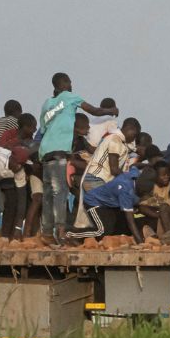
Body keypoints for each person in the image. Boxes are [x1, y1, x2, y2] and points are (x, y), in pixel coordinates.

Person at [36, 73, 117, 243]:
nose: (71, 85)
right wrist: (111, 110)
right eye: (69, 82)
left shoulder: (47, 104)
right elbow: (93, 110)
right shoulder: (70, 97)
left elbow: (43, 129)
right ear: (62, 84)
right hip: (59, 152)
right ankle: (61, 232)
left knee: (49, 194)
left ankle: (47, 234)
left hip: (45, 151)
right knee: (60, 193)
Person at [82, 167, 158, 245]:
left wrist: (157, 215)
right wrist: (141, 244)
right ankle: (71, 234)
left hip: (111, 205)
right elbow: (130, 222)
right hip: (95, 201)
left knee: (120, 228)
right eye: (143, 193)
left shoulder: (136, 174)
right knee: (103, 231)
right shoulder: (126, 190)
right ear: (140, 188)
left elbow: (134, 166)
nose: (142, 196)